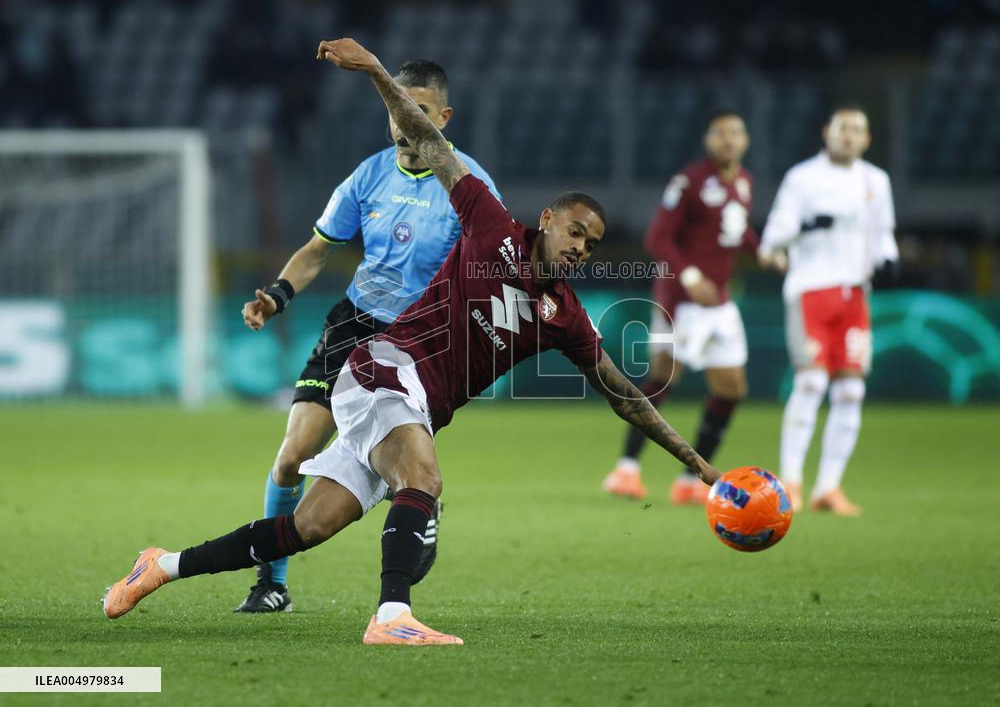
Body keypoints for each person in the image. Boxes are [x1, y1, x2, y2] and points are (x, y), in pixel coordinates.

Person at [103, 38, 721, 646]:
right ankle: (391, 613)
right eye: (575, 231)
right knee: (421, 478)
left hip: (413, 399)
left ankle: (163, 564)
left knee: (308, 526)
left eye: (591, 242)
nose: (582, 247)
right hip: (382, 367)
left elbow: (624, 395)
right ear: (549, 219)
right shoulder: (488, 220)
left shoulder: (563, 315)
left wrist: (693, 462)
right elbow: (424, 142)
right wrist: (373, 67)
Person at [235, 59, 500, 612]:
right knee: (292, 456)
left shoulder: (469, 186)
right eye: (396, 111)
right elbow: (317, 250)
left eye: (419, 112)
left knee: (402, 467)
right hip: (353, 324)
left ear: (444, 118)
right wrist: (277, 295)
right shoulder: (369, 174)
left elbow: (494, 267)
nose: (404, 123)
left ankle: (417, 506)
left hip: (419, 340)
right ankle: (271, 585)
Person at [603, 111, 759, 505]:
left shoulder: (743, 181)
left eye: (736, 133)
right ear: (708, 140)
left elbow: (737, 232)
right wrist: (689, 276)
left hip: (720, 304)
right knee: (663, 380)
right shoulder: (689, 181)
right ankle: (626, 469)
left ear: (746, 142)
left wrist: (766, 253)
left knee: (732, 389)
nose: (728, 140)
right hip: (680, 300)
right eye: (720, 132)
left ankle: (691, 480)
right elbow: (658, 236)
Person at [758, 105, 898, 516]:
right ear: (827, 133)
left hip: (855, 294)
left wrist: (889, 258)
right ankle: (792, 482)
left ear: (867, 139)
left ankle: (828, 487)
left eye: (858, 130)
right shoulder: (803, 178)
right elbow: (772, 238)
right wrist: (806, 226)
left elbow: (883, 232)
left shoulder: (877, 181)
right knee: (811, 384)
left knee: (852, 390)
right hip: (809, 291)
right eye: (843, 129)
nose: (849, 136)